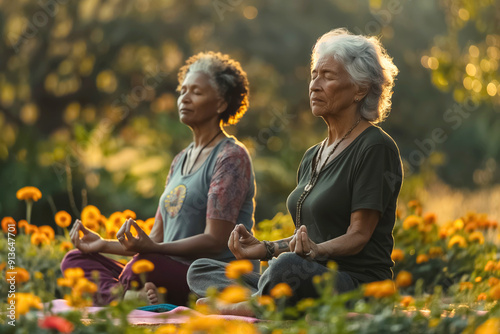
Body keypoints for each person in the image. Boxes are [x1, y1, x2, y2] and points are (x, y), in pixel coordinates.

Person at [187, 28, 403, 316]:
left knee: (285, 268)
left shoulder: (375, 147)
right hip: (307, 275)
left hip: (357, 285)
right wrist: (263, 249)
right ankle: (263, 298)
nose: (314, 85)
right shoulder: (312, 155)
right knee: (201, 269)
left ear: (360, 89)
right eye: (314, 74)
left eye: (327, 76)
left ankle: (254, 304)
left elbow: (358, 236)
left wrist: (312, 254)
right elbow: (305, 242)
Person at [61, 52, 256, 306]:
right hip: (167, 267)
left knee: (143, 266)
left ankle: (121, 297)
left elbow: (214, 240)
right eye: (182, 91)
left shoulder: (231, 156)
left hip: (211, 276)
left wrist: (153, 250)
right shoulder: (179, 161)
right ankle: (127, 298)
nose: (184, 98)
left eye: (196, 92)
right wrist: (101, 244)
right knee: (75, 260)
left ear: (220, 103)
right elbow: (156, 238)